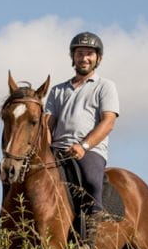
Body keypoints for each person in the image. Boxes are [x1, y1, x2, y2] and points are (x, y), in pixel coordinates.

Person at [45, 31, 120, 223]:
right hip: (58, 149)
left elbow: (108, 122)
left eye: (89, 53)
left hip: (89, 150)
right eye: (79, 53)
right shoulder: (57, 90)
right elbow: (47, 124)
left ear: (98, 58)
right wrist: (45, 149)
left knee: (90, 180)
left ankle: (92, 229)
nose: (84, 58)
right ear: (73, 57)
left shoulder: (105, 86)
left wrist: (83, 146)